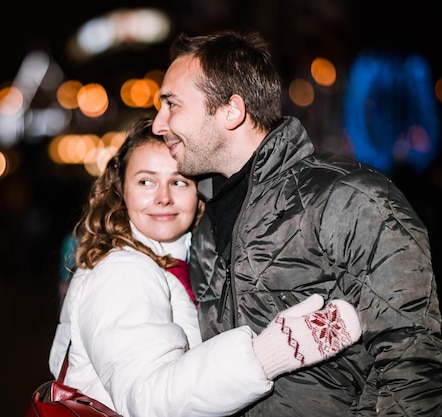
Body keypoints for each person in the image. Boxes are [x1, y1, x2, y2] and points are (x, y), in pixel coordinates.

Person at [152, 29, 442, 416]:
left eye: (172, 105)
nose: (158, 124)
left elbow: (414, 358)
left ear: (231, 111)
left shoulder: (349, 197)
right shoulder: (204, 224)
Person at [48, 117, 362, 417]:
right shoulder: (123, 272)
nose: (163, 198)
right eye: (146, 181)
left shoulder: (182, 262)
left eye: (179, 182)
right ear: (121, 190)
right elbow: (150, 401)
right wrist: (267, 354)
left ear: (199, 196)